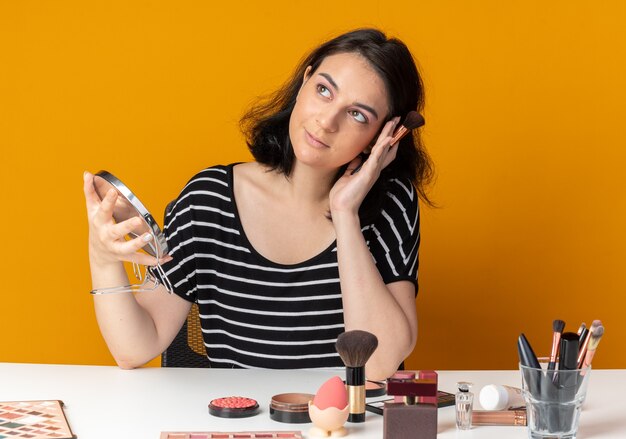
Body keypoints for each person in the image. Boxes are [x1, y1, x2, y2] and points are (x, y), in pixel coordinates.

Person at [83, 28, 433, 380]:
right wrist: (103, 256)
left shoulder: (391, 204)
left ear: (387, 136)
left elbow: (379, 364)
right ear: (305, 81)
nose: (326, 122)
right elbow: (133, 349)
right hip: (239, 424)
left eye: (358, 115)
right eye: (324, 91)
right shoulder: (211, 199)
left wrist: (345, 213)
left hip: (342, 426)